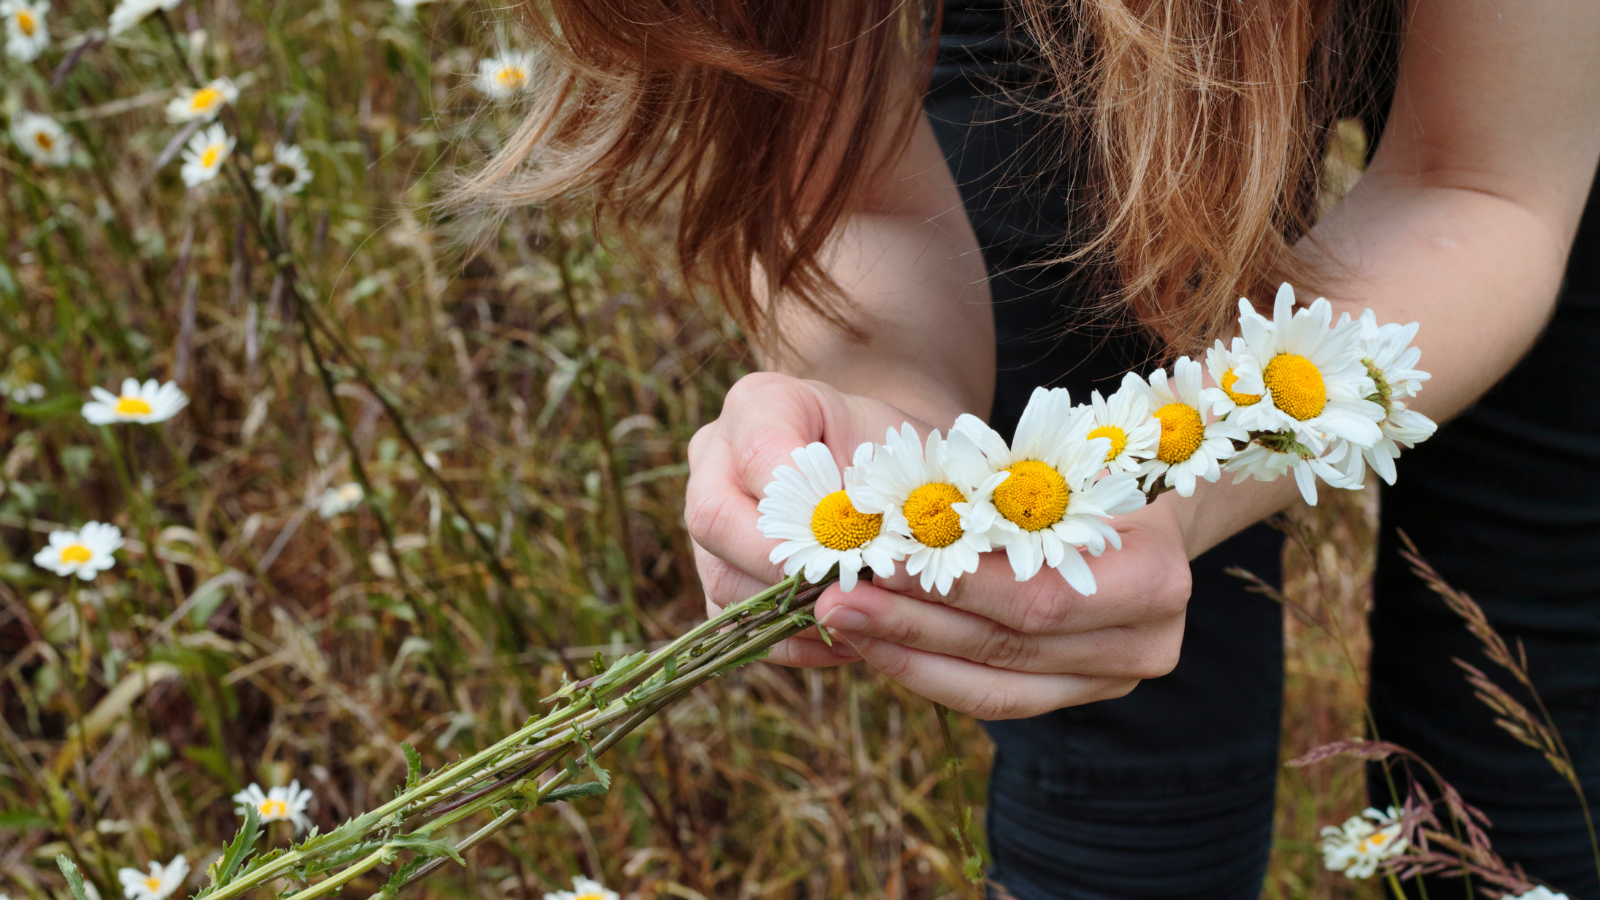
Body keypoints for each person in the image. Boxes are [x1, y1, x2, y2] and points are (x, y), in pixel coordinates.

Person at [458, 1, 1600, 896]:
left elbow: (1484, 180)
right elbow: (857, 194)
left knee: (1525, 656)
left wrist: (1175, 477)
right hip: (1075, 39)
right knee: (1093, 675)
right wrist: (880, 393)